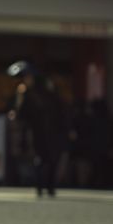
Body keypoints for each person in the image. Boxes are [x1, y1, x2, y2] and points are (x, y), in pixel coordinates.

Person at [9, 61, 69, 198]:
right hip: (44, 132)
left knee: (45, 159)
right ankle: (45, 186)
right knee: (46, 159)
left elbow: (22, 114)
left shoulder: (40, 95)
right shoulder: (37, 94)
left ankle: (44, 186)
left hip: (45, 132)